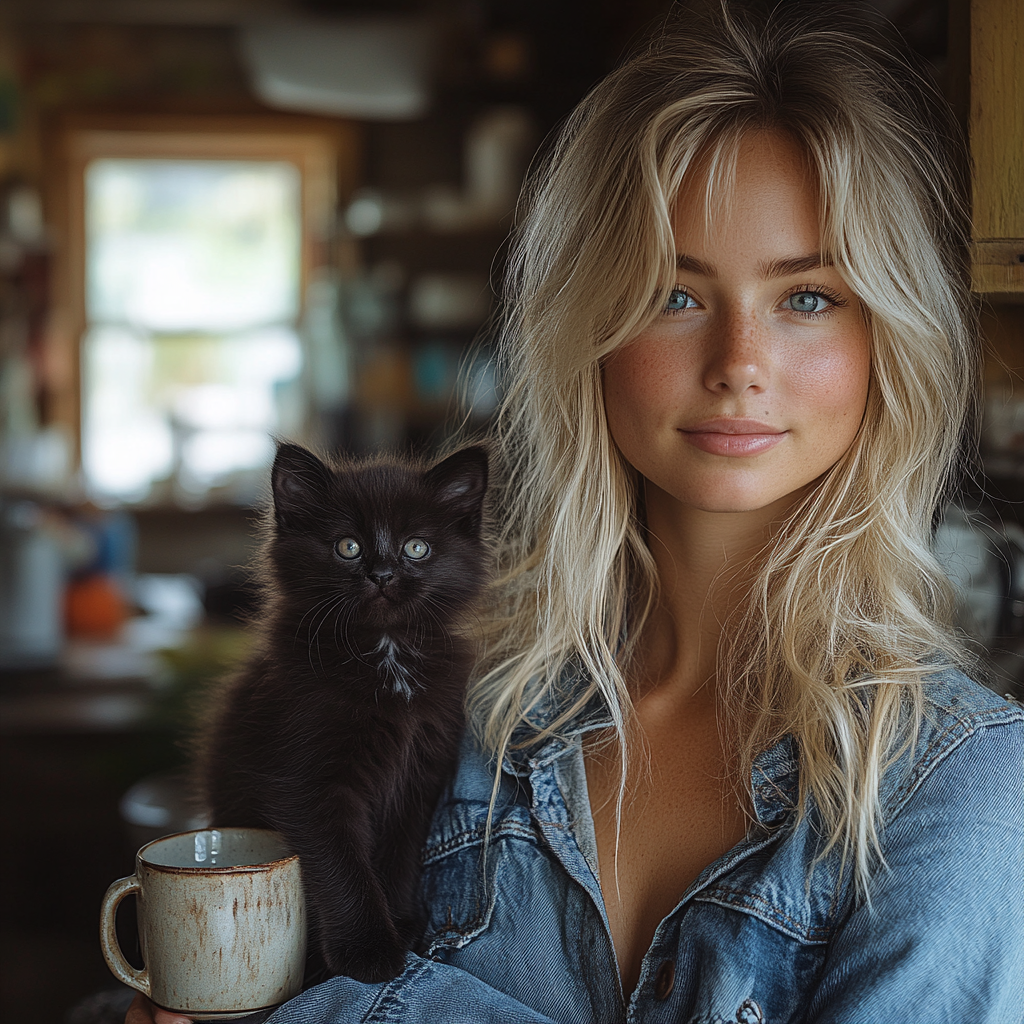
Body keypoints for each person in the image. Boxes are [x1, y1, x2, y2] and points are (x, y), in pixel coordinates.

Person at [129, 2, 1024, 1022]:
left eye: (807, 296)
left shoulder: (966, 787)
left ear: (887, 337)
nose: (738, 363)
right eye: (673, 295)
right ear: (588, 330)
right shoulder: (465, 720)